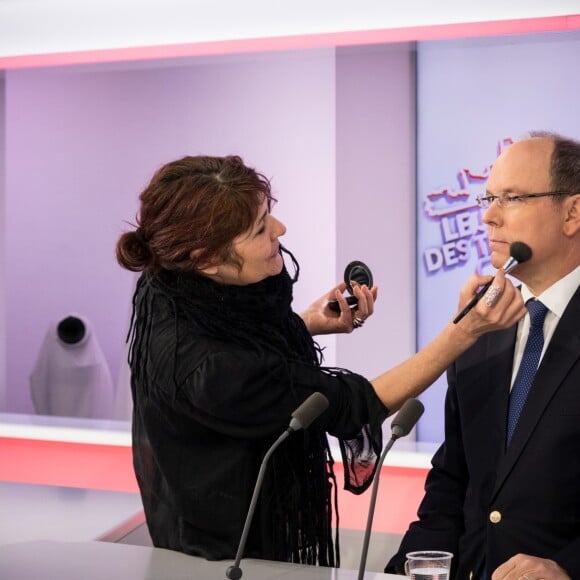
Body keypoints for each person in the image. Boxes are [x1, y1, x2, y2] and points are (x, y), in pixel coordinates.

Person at [115, 154, 525, 567]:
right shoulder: (211, 370)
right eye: (260, 228)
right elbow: (355, 403)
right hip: (229, 558)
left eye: (268, 215)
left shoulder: (168, 282)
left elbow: (236, 344)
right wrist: (464, 332)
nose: (280, 229)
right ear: (206, 259)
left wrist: (305, 323)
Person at [385, 131, 580, 580]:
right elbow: (453, 481)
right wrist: (406, 569)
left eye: (511, 198)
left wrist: (568, 567)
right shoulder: (482, 325)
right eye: (488, 198)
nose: (489, 217)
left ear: (572, 213)